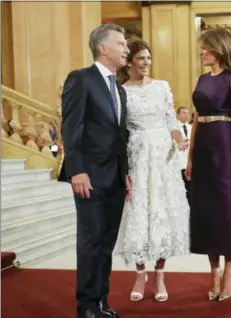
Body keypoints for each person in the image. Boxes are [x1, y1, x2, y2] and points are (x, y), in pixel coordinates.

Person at [60, 23, 131, 318]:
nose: (127, 48)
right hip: (88, 176)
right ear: (103, 48)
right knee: (90, 241)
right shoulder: (81, 79)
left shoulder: (119, 89)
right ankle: (86, 306)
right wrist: (77, 170)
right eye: (122, 43)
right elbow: (71, 127)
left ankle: (101, 301)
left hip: (114, 177)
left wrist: (125, 172)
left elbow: (120, 136)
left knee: (106, 242)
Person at [114, 38, 190, 303]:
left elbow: (171, 120)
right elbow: (120, 131)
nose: (146, 63)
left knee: (161, 214)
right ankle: (139, 273)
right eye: (141, 58)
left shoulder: (162, 87)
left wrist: (179, 140)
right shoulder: (121, 91)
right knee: (139, 215)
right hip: (137, 155)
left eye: (148, 58)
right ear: (130, 62)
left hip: (163, 158)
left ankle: (159, 275)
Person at [185, 27, 231, 302]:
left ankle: (230, 269)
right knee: (206, 210)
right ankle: (214, 271)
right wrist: (190, 157)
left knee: (226, 209)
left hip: (225, 146)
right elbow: (196, 119)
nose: (201, 52)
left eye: (205, 47)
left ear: (219, 48)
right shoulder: (200, 79)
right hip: (203, 149)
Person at [176, 106, 192, 204]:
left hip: (189, 162)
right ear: (178, 115)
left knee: (190, 188)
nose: (186, 115)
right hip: (179, 161)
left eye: (187, 113)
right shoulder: (174, 129)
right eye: (183, 113)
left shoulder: (191, 127)